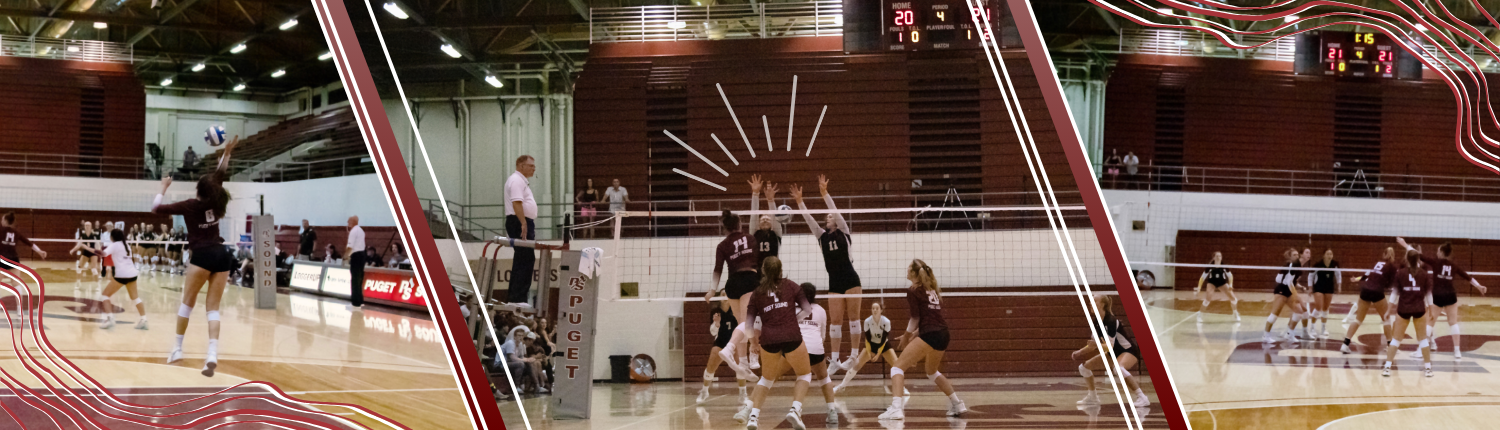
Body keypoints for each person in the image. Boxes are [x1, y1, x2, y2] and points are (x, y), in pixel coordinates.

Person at [153, 134, 239, 377]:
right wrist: (228, 151)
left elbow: (156, 209)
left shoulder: (189, 205)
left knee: (187, 305)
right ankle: (212, 354)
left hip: (201, 255)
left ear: (197, 189)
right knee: (213, 309)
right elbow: (221, 172)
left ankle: (177, 349)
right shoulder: (216, 199)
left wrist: (164, 186)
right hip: (222, 255)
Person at [878, 259, 967, 420]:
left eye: (908, 269)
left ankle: (896, 409)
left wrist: (906, 336)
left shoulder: (913, 290)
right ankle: (957, 403)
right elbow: (930, 318)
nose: (906, 272)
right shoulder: (930, 289)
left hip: (930, 334)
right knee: (931, 372)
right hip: (942, 333)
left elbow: (915, 318)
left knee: (897, 368)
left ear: (913, 273)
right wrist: (913, 334)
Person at [792, 175, 864, 373]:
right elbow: (809, 220)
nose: (829, 217)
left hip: (850, 278)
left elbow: (836, 212)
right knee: (836, 321)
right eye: (827, 217)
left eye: (831, 216)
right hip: (834, 281)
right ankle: (834, 359)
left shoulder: (844, 231)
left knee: (854, 318)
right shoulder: (821, 236)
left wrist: (825, 194)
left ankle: (854, 355)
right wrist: (800, 202)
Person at [733, 256, 813, 430]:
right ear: (780, 269)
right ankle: (795, 409)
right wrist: (794, 319)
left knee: (766, 379)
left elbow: (748, 325)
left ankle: (753, 417)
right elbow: (808, 309)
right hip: (792, 335)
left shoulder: (757, 293)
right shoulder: (791, 285)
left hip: (768, 339)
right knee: (805, 374)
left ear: (763, 271)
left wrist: (753, 343)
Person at [1398, 238, 1487, 360]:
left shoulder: (1436, 262)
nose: (1436, 253)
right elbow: (1468, 277)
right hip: (1450, 295)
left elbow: (1418, 254)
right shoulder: (1453, 265)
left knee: (1430, 323)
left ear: (1441, 253)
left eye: (1438, 251)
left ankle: (1420, 351)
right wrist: (1479, 286)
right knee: (1453, 322)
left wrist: (1404, 244)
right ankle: (1457, 352)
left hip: (1438, 296)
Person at [708, 210, 760, 381]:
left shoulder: (722, 245)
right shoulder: (751, 238)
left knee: (741, 325)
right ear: (739, 225)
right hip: (748, 280)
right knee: (745, 323)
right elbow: (759, 260)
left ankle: (744, 365)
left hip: (732, 284)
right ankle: (729, 349)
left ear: (725, 228)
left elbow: (717, 270)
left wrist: (712, 290)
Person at [1073, 295, 1151, 408]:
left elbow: (1108, 346)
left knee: (1118, 368)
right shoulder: (1096, 322)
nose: (1091, 302)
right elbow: (1093, 345)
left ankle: (1142, 398)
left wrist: (1096, 345)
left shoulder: (1111, 321)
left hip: (1128, 351)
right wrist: (1079, 352)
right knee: (1083, 368)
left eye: (1095, 300)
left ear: (1102, 304)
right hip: (1113, 352)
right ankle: (1093, 397)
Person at [1383, 250, 1435, 378]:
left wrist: (1388, 310)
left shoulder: (1400, 273)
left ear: (1406, 259)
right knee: (1423, 339)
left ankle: (1387, 368)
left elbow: (1394, 294)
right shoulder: (1424, 274)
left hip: (1403, 309)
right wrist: (1432, 310)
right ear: (1418, 260)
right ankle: (1428, 369)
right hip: (1419, 309)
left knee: (1395, 340)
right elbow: (1429, 295)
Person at [833, 302, 902, 395]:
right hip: (871, 344)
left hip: (883, 344)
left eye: (877, 308)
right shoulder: (867, 321)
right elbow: (867, 339)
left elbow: (884, 339)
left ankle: (902, 388)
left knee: (897, 365)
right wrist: (869, 353)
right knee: (856, 365)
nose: (875, 310)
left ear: (881, 310)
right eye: (873, 308)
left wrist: (878, 354)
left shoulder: (886, 322)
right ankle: (842, 386)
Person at [797, 282, 840, 426]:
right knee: (823, 378)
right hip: (816, 348)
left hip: (798, 349)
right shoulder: (821, 310)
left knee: (798, 377)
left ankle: (796, 411)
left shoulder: (792, 309)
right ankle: (832, 411)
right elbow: (822, 337)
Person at [85, 229, 147, 330]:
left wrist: (90, 249)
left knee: (105, 295)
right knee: (135, 298)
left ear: (113, 237)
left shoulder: (115, 245)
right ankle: (144, 320)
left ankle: (110, 320)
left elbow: (104, 253)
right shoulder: (126, 244)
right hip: (132, 274)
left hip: (122, 275)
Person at [1340, 247, 1398, 354]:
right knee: (1386, 319)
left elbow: (1366, 275)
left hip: (1365, 290)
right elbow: (1392, 282)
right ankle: (1390, 346)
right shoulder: (1392, 266)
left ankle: (1345, 344)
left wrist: (1356, 279)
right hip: (1377, 291)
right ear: (1393, 255)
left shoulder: (1377, 264)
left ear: (1384, 254)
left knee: (1358, 319)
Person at [698, 299, 750, 406]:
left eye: (726, 294)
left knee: (740, 366)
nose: (725, 297)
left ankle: (742, 394)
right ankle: (704, 391)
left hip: (735, 341)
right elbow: (712, 332)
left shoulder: (737, 309)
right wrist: (716, 323)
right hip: (721, 341)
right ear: (719, 299)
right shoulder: (716, 311)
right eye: (722, 294)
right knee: (710, 367)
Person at [505, 155, 539, 306]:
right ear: (521, 166)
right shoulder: (516, 180)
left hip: (522, 221)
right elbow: (516, 203)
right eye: (530, 165)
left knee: (523, 258)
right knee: (525, 258)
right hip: (519, 221)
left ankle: (517, 296)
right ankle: (518, 297)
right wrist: (523, 223)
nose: (534, 168)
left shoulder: (520, 181)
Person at [1261, 248, 1303, 344]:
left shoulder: (1298, 266)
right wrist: (1295, 294)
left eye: (1297, 255)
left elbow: (1292, 281)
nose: (1296, 256)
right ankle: (1266, 335)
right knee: (1275, 314)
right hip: (1281, 290)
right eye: (1294, 255)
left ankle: (1290, 334)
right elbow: (1284, 281)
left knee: (1298, 311)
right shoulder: (1289, 266)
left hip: (1288, 291)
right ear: (1290, 257)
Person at [0, 212, 47, 280]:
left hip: (3, 258)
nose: (1, 221)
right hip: (14, 258)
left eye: (2, 219)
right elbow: (29, 243)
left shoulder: (1, 230)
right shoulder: (16, 232)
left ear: (6, 221)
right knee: (15, 282)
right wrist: (39, 251)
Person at [1195, 252, 1240, 322]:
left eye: (1220, 256)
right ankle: (1200, 314)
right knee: (1208, 297)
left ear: (1221, 257)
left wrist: (1230, 285)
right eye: (1217, 256)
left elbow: (1230, 275)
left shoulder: (1224, 266)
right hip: (1212, 282)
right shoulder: (1209, 266)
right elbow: (1202, 277)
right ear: (1214, 257)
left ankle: (1235, 313)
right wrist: (1199, 288)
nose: (1218, 257)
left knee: (1233, 298)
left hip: (1222, 283)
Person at [1309, 249, 1342, 339]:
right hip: (1318, 287)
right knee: (1319, 307)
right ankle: (1312, 327)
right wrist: (1310, 288)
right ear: (1323, 255)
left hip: (1329, 287)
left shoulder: (1335, 264)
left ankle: (1323, 328)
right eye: (1327, 254)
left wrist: (1339, 286)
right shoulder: (1318, 264)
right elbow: (1310, 275)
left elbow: (1338, 275)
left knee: (1326, 308)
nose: (1329, 256)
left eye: (1331, 254)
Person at [345, 216, 366, 311]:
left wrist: (345, 256)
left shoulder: (353, 231)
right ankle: (360, 301)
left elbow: (350, 246)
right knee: (359, 279)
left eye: (348, 221)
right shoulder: (361, 230)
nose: (347, 223)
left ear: (351, 222)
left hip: (356, 256)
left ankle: (355, 304)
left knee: (354, 279)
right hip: (362, 255)